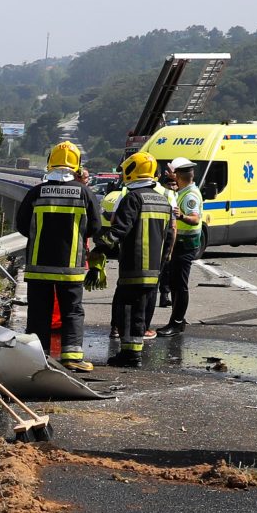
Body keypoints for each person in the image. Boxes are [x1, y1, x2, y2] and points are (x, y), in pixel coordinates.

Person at [14, 140, 101, 369]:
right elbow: (95, 227)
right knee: (72, 311)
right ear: (77, 165)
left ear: (49, 163)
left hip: (38, 266)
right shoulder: (84, 193)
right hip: (70, 267)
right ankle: (72, 358)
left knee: (38, 312)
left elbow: (22, 225)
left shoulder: (36, 192)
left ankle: (37, 358)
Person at [99, 150, 174, 366]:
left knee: (128, 310)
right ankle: (135, 353)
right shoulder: (162, 200)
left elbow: (120, 229)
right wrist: (162, 263)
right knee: (142, 311)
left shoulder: (132, 198)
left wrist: (101, 247)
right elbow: (169, 236)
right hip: (154, 269)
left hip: (134, 266)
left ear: (133, 171)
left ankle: (130, 355)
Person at [160, 159, 204, 328]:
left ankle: (177, 322)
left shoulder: (190, 195)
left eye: (173, 173)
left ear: (178, 176)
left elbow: (194, 219)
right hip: (181, 244)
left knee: (179, 285)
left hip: (185, 245)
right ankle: (177, 319)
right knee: (175, 283)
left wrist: (181, 216)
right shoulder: (184, 190)